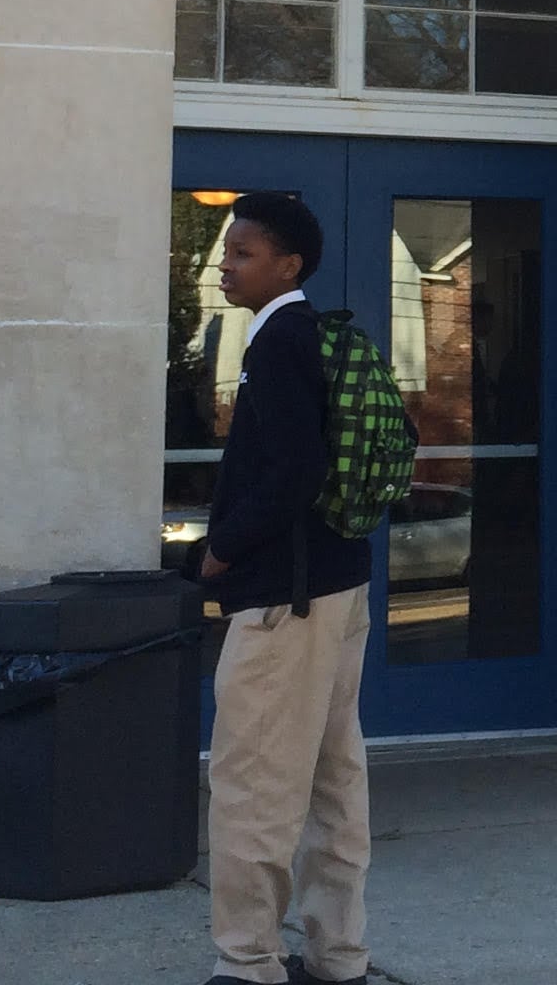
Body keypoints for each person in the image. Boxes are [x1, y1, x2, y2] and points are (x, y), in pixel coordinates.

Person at [197, 192, 372, 985]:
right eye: (227, 254)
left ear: (287, 266)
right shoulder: (317, 338)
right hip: (338, 587)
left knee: (253, 783)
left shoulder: (278, 343)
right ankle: (338, 958)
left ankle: (248, 966)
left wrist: (221, 550)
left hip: (287, 597)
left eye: (241, 254)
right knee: (335, 779)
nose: (226, 268)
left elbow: (295, 470)